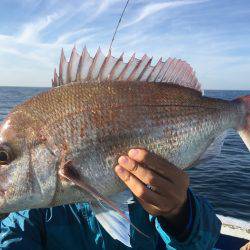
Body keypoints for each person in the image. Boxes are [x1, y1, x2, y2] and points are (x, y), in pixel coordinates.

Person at [0, 149, 221, 249]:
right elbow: (12, 237)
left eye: (3, 157)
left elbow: (203, 241)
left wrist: (180, 213)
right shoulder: (32, 205)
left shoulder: (146, 188)